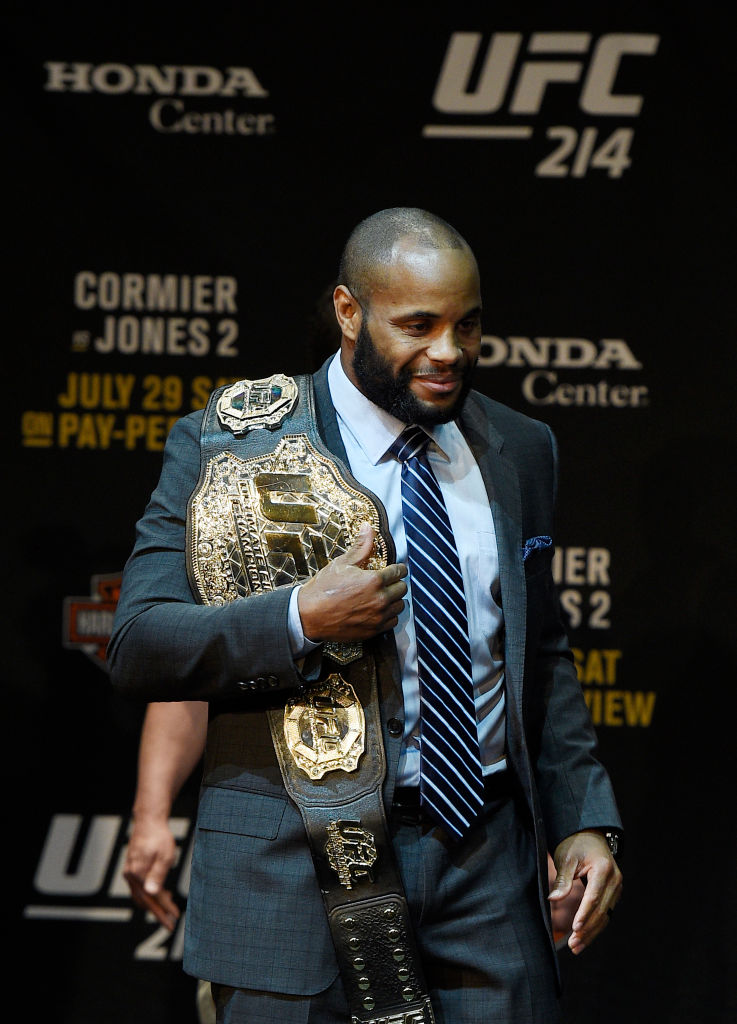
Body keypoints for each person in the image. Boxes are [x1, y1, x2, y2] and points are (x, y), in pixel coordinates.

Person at [109, 207, 622, 1023]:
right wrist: (297, 618)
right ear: (349, 312)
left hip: (484, 868)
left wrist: (582, 821)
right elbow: (138, 643)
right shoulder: (230, 448)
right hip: (291, 875)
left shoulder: (520, 448)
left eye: (467, 324)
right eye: (417, 325)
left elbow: (540, 657)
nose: (448, 352)